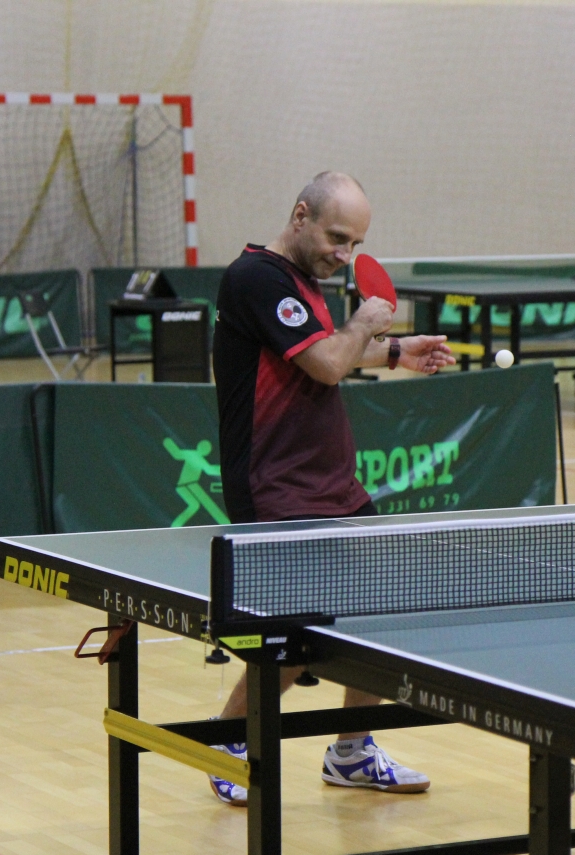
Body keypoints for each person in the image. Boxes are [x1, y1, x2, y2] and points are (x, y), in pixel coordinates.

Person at [206, 171, 454, 806]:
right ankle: (228, 739)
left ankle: (352, 752)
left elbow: (319, 351)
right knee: (298, 635)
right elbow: (328, 363)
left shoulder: (302, 281)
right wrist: (368, 320)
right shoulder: (256, 278)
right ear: (300, 216)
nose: (345, 255)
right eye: (337, 238)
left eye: (356, 244)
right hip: (276, 485)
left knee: (377, 614)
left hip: (331, 484)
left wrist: (398, 351)